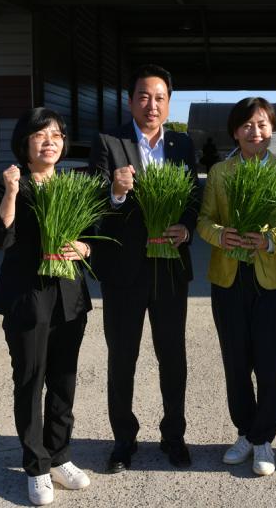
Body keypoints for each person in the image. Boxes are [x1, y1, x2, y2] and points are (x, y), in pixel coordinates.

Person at [88, 64, 199, 474]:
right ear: (131, 100)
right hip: (124, 271)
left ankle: (174, 437)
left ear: (169, 103)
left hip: (170, 268)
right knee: (123, 357)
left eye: (160, 97)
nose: (151, 105)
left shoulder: (182, 145)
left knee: (173, 357)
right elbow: (95, 203)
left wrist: (186, 229)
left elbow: (193, 199)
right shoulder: (108, 143)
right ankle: (123, 441)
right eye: (144, 97)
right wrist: (116, 192)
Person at [0, 107, 93, 506]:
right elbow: (0, 238)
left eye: (57, 135)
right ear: (25, 143)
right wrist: (12, 191)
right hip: (27, 297)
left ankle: (60, 455)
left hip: (69, 296)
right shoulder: (10, 184)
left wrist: (82, 247)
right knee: (30, 381)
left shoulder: (71, 185)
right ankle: (36, 466)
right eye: (41, 135)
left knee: (64, 381)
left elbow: (91, 238)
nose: (50, 141)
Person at [196, 97, 276, 477]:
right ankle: (244, 431)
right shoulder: (221, 172)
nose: (254, 132)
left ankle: (263, 439)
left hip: (273, 276)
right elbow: (204, 220)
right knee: (236, 360)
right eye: (246, 125)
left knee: (272, 360)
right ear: (234, 131)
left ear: (271, 128)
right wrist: (220, 235)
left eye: (261, 124)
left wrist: (270, 238)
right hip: (228, 277)